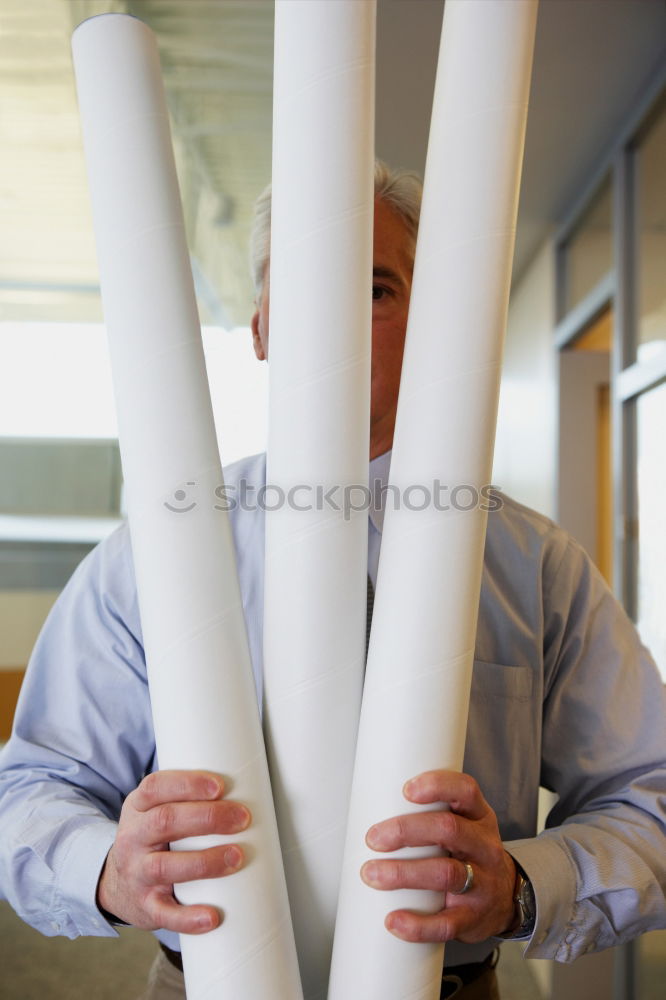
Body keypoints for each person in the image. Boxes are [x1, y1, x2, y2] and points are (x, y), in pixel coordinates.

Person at [0, 161, 664, 1000]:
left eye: (376, 289)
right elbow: (33, 785)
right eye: (302, 287)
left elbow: (652, 794)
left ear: (430, 322)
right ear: (262, 331)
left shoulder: (535, 566)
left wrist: (523, 885)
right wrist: (105, 869)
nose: (333, 320)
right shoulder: (157, 550)